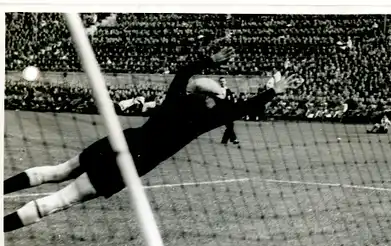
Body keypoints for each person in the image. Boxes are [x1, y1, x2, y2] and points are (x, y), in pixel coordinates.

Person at [3, 47, 302, 232]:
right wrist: (273, 91)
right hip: (133, 162)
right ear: (211, 100)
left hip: (121, 140)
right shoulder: (204, 119)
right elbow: (245, 107)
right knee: (61, 200)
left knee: (59, 171)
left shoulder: (175, 99)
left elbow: (185, 71)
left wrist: (209, 59)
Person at [219, 77, 239, 145]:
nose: (222, 82)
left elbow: (232, 100)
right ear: (219, 82)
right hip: (222, 110)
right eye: (221, 81)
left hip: (228, 110)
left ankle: (224, 140)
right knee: (230, 125)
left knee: (230, 125)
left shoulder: (228, 90)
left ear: (225, 82)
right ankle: (234, 139)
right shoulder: (218, 90)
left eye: (223, 81)